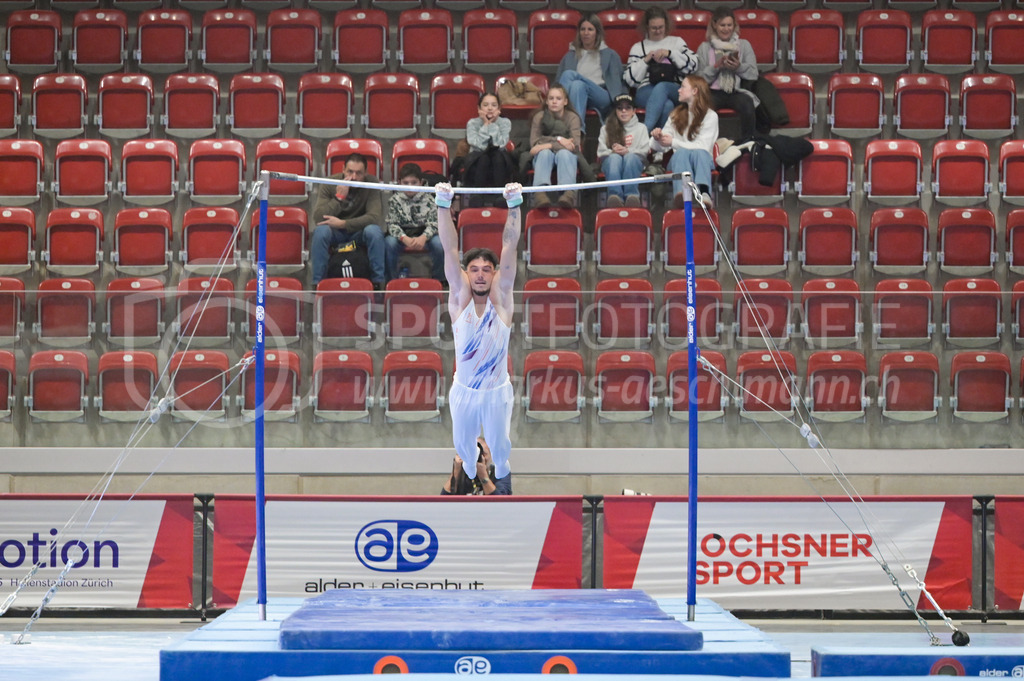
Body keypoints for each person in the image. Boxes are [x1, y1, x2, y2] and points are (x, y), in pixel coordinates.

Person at [435, 181, 521, 484]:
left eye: (487, 269)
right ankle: (470, 473)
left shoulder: (502, 301)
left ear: (494, 274)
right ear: (466, 273)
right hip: (465, 392)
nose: (481, 274)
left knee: (500, 454)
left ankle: (499, 470)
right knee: (466, 456)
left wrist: (514, 206)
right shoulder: (459, 301)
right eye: (474, 269)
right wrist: (443, 206)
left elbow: (509, 248)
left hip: (497, 391)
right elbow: (449, 248)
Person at [310, 153, 386, 289]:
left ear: (366, 173)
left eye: (359, 173)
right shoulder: (330, 183)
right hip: (335, 233)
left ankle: (377, 283)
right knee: (320, 232)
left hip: (358, 233)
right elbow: (318, 217)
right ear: (343, 169)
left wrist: (343, 223)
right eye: (350, 172)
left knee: (374, 231)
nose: (354, 177)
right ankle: (317, 284)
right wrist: (338, 198)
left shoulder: (372, 183)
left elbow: (374, 217)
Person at [624, 7, 699, 133]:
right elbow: (629, 80)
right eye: (654, 28)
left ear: (666, 25)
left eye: (661, 27)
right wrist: (646, 60)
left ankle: (644, 134)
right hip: (646, 89)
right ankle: (660, 147)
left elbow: (694, 65)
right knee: (667, 106)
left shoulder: (677, 42)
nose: (658, 31)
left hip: (673, 88)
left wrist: (670, 53)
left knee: (662, 87)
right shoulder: (638, 47)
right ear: (647, 27)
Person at [651, 75, 719, 209]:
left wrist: (673, 142)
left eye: (683, 87)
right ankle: (682, 193)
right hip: (679, 160)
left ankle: (704, 193)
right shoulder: (675, 114)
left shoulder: (711, 116)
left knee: (699, 153)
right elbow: (657, 147)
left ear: (694, 91)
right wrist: (657, 138)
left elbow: (703, 146)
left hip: (702, 161)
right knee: (681, 153)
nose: (678, 90)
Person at [696, 7, 760, 141]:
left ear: (734, 26)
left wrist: (738, 67)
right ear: (715, 25)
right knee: (702, 107)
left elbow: (754, 74)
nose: (726, 29)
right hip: (712, 92)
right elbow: (699, 79)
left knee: (747, 105)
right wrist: (716, 67)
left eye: (729, 25)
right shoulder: (704, 47)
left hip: (735, 91)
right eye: (722, 25)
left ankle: (748, 144)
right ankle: (703, 144)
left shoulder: (744, 45)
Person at [555, 14, 624, 124]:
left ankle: (555, 116)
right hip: (576, 94)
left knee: (569, 74)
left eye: (590, 29)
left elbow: (619, 81)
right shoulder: (569, 56)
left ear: (597, 32)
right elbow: (558, 81)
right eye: (583, 29)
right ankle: (577, 132)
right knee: (578, 85)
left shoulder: (610, 54)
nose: (586, 33)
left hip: (601, 95)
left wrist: (622, 103)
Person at [385, 163, 445, 284]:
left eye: (414, 182)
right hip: (403, 234)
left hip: (425, 234)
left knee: (439, 244)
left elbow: (434, 223)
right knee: (389, 243)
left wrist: (424, 237)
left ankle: (440, 280)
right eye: (406, 183)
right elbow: (391, 224)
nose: (410, 186)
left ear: (421, 182)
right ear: (400, 182)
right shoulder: (394, 200)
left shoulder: (430, 199)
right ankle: (391, 281)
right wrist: (404, 238)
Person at [528, 85, 582, 209]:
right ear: (546, 101)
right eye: (551, 98)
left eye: (558, 98)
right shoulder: (539, 117)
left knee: (564, 153)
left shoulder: (573, 118)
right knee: (545, 153)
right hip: (543, 156)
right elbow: (535, 143)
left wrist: (546, 144)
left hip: (566, 156)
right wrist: (558, 141)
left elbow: (574, 145)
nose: (554, 101)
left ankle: (568, 193)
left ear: (565, 102)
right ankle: (540, 194)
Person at [462, 92, 515, 208]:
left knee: (497, 155)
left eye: (494, 105)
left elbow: (500, 144)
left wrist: (492, 125)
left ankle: (500, 197)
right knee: (484, 157)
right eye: (485, 105)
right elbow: (477, 144)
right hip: (477, 158)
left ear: (499, 108)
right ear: (479, 108)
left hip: (499, 159)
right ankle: (477, 196)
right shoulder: (472, 123)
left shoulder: (505, 122)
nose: (490, 108)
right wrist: (486, 124)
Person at [597, 93, 650, 208]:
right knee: (615, 158)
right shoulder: (605, 128)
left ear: (634, 111)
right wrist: (613, 152)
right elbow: (601, 152)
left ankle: (632, 196)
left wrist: (627, 151)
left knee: (630, 157)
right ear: (615, 111)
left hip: (634, 162)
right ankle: (614, 197)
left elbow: (644, 151)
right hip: (611, 162)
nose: (624, 111)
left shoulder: (642, 128)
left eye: (628, 108)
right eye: (620, 108)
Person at [441, 437, 513, 496]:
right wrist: (455, 472)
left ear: (491, 455)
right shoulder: (462, 474)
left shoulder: (500, 473)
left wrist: (483, 477)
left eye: (484, 454)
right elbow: (443, 502)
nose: (479, 458)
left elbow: (502, 503)